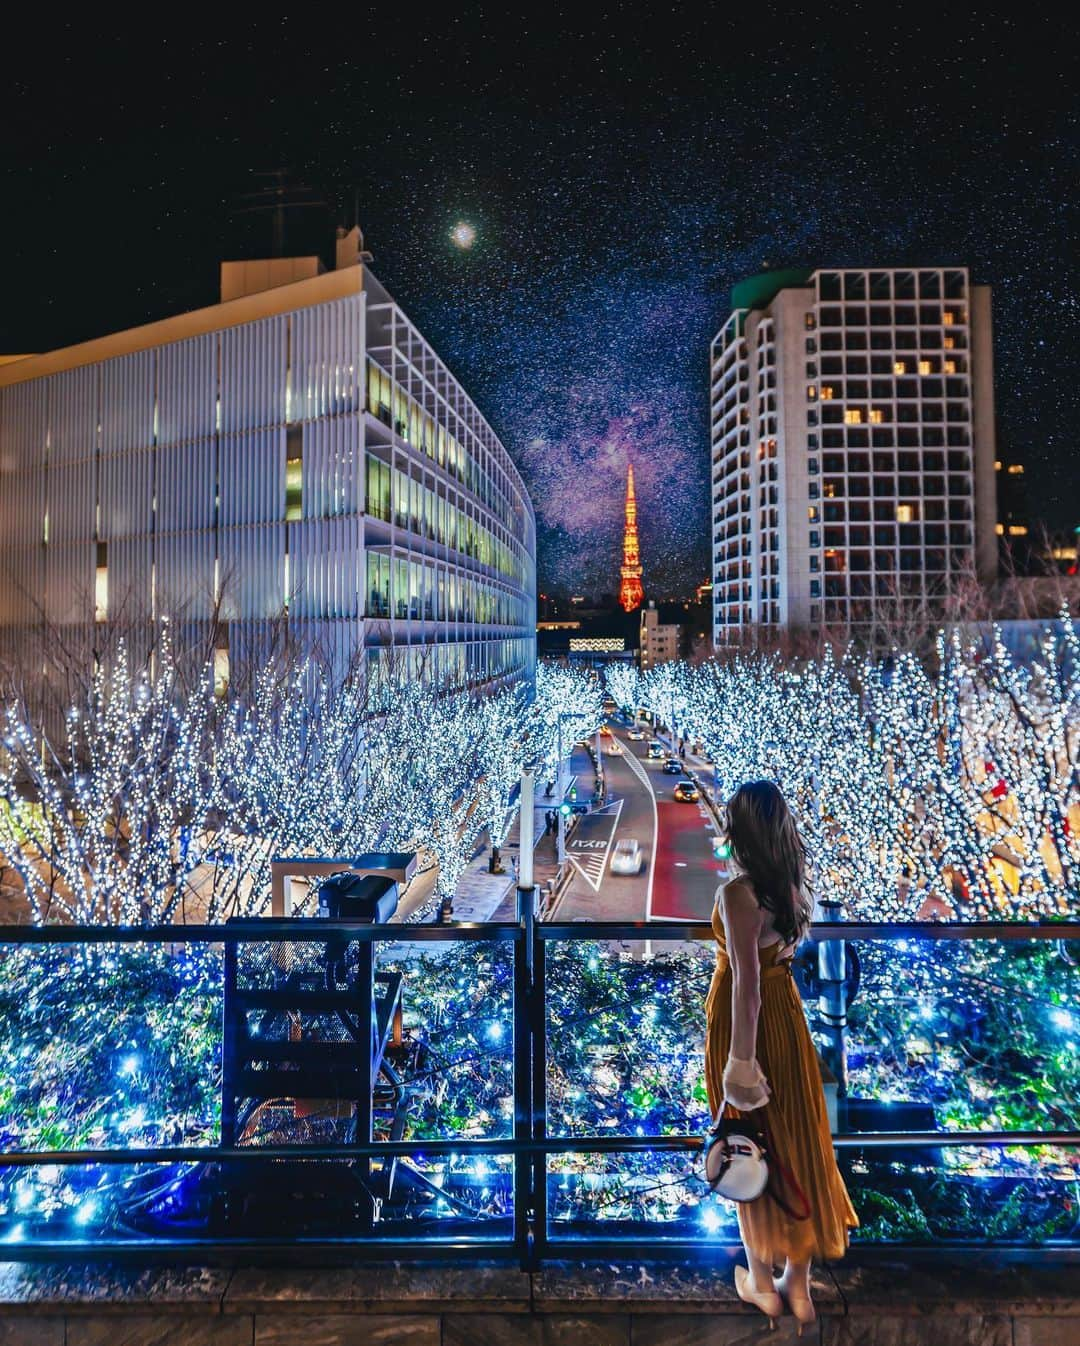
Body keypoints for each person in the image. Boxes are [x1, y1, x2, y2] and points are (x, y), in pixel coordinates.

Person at [705, 780, 857, 1334]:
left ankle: (761, 1284)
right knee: (799, 1137)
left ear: (740, 830)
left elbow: (747, 985)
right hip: (789, 1024)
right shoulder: (792, 889)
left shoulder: (738, 895)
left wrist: (739, 1065)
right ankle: (799, 1279)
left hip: (750, 1028)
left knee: (747, 1142)